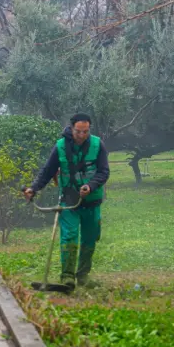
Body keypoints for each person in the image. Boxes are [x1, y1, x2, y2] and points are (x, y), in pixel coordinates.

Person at [23, 113, 110, 289]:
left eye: (85, 131)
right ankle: (67, 277)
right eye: (78, 131)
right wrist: (34, 188)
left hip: (92, 200)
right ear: (71, 128)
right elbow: (48, 171)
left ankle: (83, 276)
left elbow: (103, 172)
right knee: (69, 236)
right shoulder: (60, 146)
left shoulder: (97, 144)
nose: (82, 135)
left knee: (90, 238)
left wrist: (90, 186)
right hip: (69, 200)